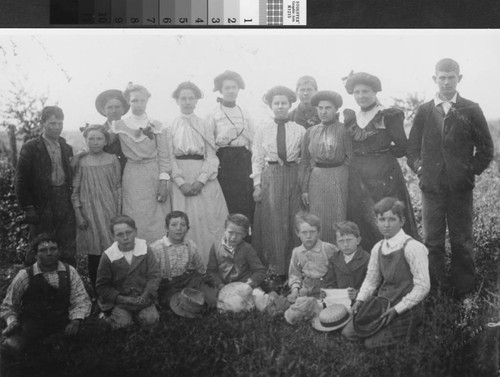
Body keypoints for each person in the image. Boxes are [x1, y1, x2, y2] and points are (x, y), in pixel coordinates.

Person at [407, 58, 494, 298]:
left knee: (462, 241)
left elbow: (486, 149)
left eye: (451, 77)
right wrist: (420, 169)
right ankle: (436, 290)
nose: (446, 82)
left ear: (459, 78)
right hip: (431, 188)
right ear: (434, 79)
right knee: (432, 241)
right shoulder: (425, 110)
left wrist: (468, 171)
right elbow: (412, 149)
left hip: (460, 189)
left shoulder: (471, 108)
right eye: (441, 77)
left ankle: (464, 290)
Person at [343, 72, 418, 251]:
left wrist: (382, 153)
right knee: (363, 219)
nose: (361, 96)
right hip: (358, 176)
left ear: (375, 92)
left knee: (387, 216)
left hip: (384, 175)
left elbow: (402, 146)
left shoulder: (388, 115)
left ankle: (396, 264)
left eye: (366, 91)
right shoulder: (351, 118)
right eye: (357, 92)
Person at [342, 197, 430, 349]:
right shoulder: (378, 247)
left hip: (406, 308)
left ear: (402, 221)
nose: (386, 225)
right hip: (382, 304)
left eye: (392, 219)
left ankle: (413, 331)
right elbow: (371, 280)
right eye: (382, 219)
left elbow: (423, 287)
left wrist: (397, 309)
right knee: (348, 333)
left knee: (371, 344)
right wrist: (360, 301)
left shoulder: (412, 247)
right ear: (376, 221)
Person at [167, 81, 228, 264]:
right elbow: (168, 157)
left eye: (191, 98)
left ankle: (212, 266)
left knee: (210, 221)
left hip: (203, 176)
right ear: (177, 100)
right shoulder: (169, 126)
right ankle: (185, 266)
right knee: (184, 220)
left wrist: (201, 180)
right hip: (181, 177)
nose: (187, 102)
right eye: (183, 98)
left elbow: (211, 155)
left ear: (196, 100)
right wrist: (180, 182)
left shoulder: (204, 124)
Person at [0, 233, 91, 356]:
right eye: (43, 250)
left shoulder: (69, 272)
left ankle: (54, 345)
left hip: (61, 322)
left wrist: (75, 321)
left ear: (59, 251)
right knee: (10, 349)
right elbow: (9, 305)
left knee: (89, 337)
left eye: (53, 249)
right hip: (32, 325)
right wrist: (12, 322)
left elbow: (80, 299)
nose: (49, 253)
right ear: (35, 254)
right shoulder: (25, 275)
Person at [251, 86, 305, 282]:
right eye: (277, 103)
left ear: (290, 105)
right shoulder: (263, 130)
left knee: (293, 219)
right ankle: (275, 270)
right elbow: (257, 158)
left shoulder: (299, 130)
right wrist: (257, 184)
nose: (280, 107)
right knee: (273, 221)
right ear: (271, 106)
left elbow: (304, 158)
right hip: (271, 176)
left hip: (293, 175)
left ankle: (295, 269)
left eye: (284, 103)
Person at [15, 106, 77, 266]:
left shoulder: (66, 147)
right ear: (43, 123)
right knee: (39, 244)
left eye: (60, 123)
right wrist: (28, 207)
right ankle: (32, 283)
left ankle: (67, 282)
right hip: (41, 203)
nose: (57, 127)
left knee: (66, 245)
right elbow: (21, 180)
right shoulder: (31, 147)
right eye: (52, 123)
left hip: (64, 201)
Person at [110, 83, 171, 243]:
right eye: (134, 101)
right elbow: (102, 145)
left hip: (153, 172)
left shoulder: (156, 124)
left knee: (157, 214)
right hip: (132, 174)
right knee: (134, 213)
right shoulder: (119, 125)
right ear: (128, 102)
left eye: (142, 100)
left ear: (147, 101)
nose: (138, 104)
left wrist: (163, 182)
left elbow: (164, 156)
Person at [72, 124, 121, 294]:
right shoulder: (81, 161)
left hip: (109, 210)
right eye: (91, 138)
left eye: (99, 138)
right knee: (94, 255)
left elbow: (117, 187)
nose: (95, 142)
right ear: (85, 140)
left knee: (112, 251)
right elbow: (75, 190)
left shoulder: (113, 159)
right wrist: (79, 214)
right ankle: (97, 293)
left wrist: (118, 213)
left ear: (105, 141)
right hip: (89, 212)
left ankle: (114, 292)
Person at [300, 90, 351, 243]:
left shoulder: (344, 130)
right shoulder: (310, 132)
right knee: (317, 218)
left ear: (336, 110)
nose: (323, 111)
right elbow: (304, 162)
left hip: (338, 178)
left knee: (338, 217)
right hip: (316, 180)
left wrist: (342, 177)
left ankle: (338, 255)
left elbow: (350, 158)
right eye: (320, 108)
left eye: (328, 108)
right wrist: (304, 188)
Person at [207, 71, 255, 231]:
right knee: (228, 202)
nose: (231, 91)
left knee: (245, 202)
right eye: (227, 87)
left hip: (243, 159)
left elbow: (253, 140)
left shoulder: (245, 113)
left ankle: (246, 241)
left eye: (234, 87)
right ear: (220, 90)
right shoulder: (213, 113)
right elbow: (209, 143)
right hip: (225, 160)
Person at [96, 215, 160, 329]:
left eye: (129, 232)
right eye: (119, 234)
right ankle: (108, 316)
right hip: (121, 302)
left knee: (151, 320)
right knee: (123, 324)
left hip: (142, 298)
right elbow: (102, 286)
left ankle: (140, 315)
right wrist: (121, 298)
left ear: (135, 231)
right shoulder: (108, 256)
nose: (125, 238)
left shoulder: (145, 248)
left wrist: (146, 294)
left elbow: (154, 275)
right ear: (113, 236)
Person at [150, 211, 216, 307]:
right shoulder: (157, 248)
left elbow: (201, 269)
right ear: (166, 228)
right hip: (167, 284)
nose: (179, 228)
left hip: (188, 280)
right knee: (175, 304)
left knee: (210, 300)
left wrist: (206, 282)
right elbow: (152, 275)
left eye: (183, 225)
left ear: (188, 229)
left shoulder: (191, 245)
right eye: (174, 225)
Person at [207, 214, 266, 292]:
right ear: (225, 230)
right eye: (230, 232)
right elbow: (211, 271)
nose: (233, 237)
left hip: (244, 286)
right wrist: (219, 284)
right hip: (223, 286)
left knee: (260, 298)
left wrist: (249, 284)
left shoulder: (247, 248)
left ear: (244, 234)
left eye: (238, 234)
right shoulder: (216, 247)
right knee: (211, 300)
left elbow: (260, 270)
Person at [287, 212, 337, 303]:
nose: (308, 236)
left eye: (312, 232)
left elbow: (340, 267)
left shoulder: (328, 248)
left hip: (326, 290)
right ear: (297, 233)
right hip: (306, 290)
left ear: (318, 232)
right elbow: (294, 274)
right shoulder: (297, 252)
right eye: (304, 232)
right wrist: (295, 291)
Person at [329, 221, 370, 301]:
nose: (345, 245)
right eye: (341, 241)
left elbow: (371, 284)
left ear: (358, 240)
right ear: (336, 243)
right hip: (339, 301)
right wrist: (330, 293)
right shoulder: (334, 259)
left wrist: (357, 293)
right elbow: (330, 283)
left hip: (360, 301)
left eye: (349, 240)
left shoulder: (366, 258)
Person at [95, 89, 130, 172]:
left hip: (127, 171)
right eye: (110, 107)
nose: (114, 111)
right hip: (105, 172)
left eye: (117, 107)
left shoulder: (130, 128)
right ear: (104, 110)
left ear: (123, 110)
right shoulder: (98, 130)